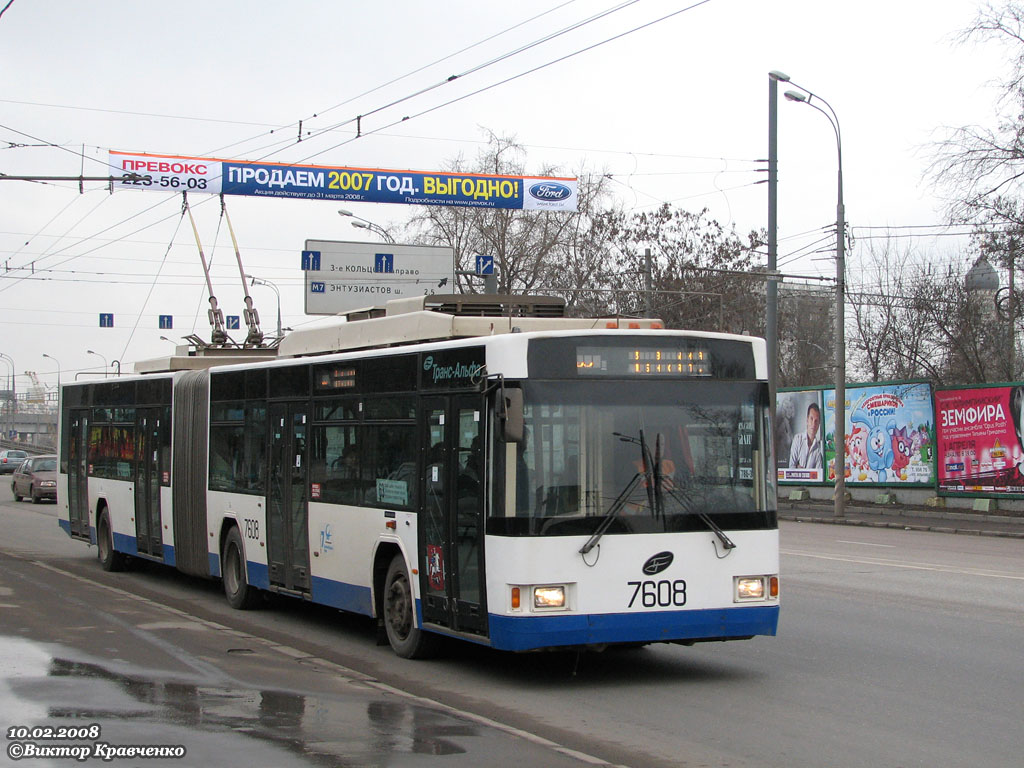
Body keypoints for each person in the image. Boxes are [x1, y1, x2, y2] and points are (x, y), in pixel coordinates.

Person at [789, 402, 823, 469]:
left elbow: (818, 474)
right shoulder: (798, 439)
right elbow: (791, 466)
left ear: (819, 424)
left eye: (816, 421)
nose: (813, 424)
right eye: (811, 419)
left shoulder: (819, 449)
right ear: (807, 420)